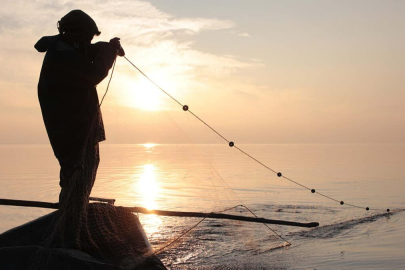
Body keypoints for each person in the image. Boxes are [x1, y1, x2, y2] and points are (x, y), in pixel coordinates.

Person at [35, 10, 124, 248]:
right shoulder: (62, 57)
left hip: (81, 131)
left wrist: (107, 47)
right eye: (87, 38)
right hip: (73, 133)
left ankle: (71, 233)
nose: (89, 43)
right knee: (75, 181)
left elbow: (87, 53)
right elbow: (91, 74)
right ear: (74, 34)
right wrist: (108, 54)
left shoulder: (67, 50)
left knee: (80, 182)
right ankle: (68, 239)